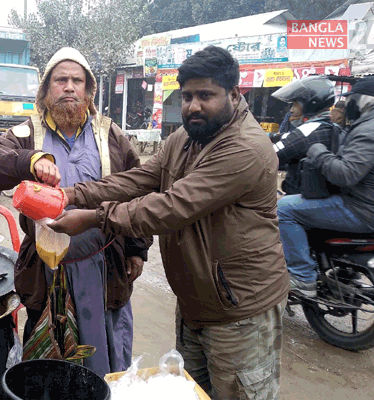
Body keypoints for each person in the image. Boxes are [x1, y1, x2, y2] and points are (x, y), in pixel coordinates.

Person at [48, 46, 288, 399]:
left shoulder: (244, 148)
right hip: (196, 303)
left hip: (241, 311)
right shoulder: (188, 136)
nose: (193, 106)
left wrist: (94, 218)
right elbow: (140, 178)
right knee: (191, 393)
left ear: (235, 94)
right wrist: (72, 194)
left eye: (206, 95)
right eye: (187, 95)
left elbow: (169, 207)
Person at [0, 47, 151, 378]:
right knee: (51, 357)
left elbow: (139, 189)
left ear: (89, 92)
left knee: (104, 351)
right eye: (61, 80)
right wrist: (30, 160)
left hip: (103, 265)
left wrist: (136, 248)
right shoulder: (27, 133)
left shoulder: (110, 134)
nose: (69, 87)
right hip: (46, 270)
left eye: (77, 81)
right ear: (46, 91)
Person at [277, 76, 374, 297]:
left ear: (366, 100)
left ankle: (302, 276)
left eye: (352, 99)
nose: (347, 105)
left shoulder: (372, 130)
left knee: (285, 209)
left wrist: (318, 151)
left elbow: (345, 175)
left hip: (364, 209)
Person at [271, 75, 341, 195]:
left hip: (302, 200)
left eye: (295, 105)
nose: (291, 110)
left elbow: (269, 156)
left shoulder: (308, 130)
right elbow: (286, 138)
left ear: (309, 105)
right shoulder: (328, 127)